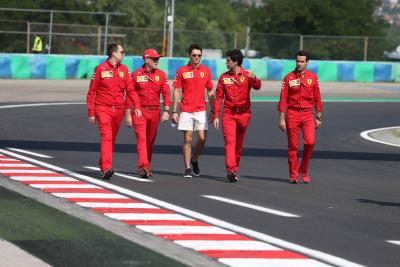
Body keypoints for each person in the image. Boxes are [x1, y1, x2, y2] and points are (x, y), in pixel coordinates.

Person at [87, 43, 141, 179]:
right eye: (122, 52)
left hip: (118, 110)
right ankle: (106, 168)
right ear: (114, 54)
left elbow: (130, 90)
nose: (124, 54)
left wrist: (137, 106)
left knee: (111, 140)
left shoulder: (124, 69)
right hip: (102, 109)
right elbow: (91, 92)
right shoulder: (100, 69)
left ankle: (103, 163)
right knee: (107, 137)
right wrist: (91, 112)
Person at [213, 49, 261, 182]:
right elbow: (218, 98)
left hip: (244, 114)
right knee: (230, 142)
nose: (226, 62)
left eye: (228, 60)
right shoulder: (224, 77)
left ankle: (234, 168)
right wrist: (216, 115)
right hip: (228, 114)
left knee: (238, 145)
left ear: (235, 61)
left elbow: (258, 86)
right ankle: (230, 169)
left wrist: (255, 78)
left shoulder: (247, 75)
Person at [278, 50, 323, 184]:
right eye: (298, 61)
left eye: (302, 61)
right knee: (293, 145)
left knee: (310, 142)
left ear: (307, 62)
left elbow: (317, 97)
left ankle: (303, 170)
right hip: (292, 114)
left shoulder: (313, 77)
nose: (299, 63)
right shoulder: (288, 78)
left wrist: (319, 116)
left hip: (308, 114)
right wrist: (281, 118)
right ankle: (293, 175)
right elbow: (283, 99)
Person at [125, 48, 171, 178]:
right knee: (142, 139)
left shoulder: (161, 75)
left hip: (155, 112)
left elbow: (166, 93)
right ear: (146, 59)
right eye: (154, 59)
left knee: (150, 141)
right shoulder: (135, 75)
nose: (157, 61)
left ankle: (146, 166)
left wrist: (166, 110)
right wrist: (128, 114)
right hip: (139, 111)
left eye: (158, 59)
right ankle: (143, 166)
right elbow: (129, 94)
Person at [171, 44, 214, 178]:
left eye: (199, 55)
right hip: (186, 109)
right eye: (194, 55)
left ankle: (194, 159)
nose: (196, 58)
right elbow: (177, 91)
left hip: (201, 109)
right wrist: (174, 110)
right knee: (188, 138)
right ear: (189, 55)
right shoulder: (181, 71)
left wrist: (213, 110)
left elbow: (210, 90)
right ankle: (187, 168)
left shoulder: (206, 71)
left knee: (202, 138)